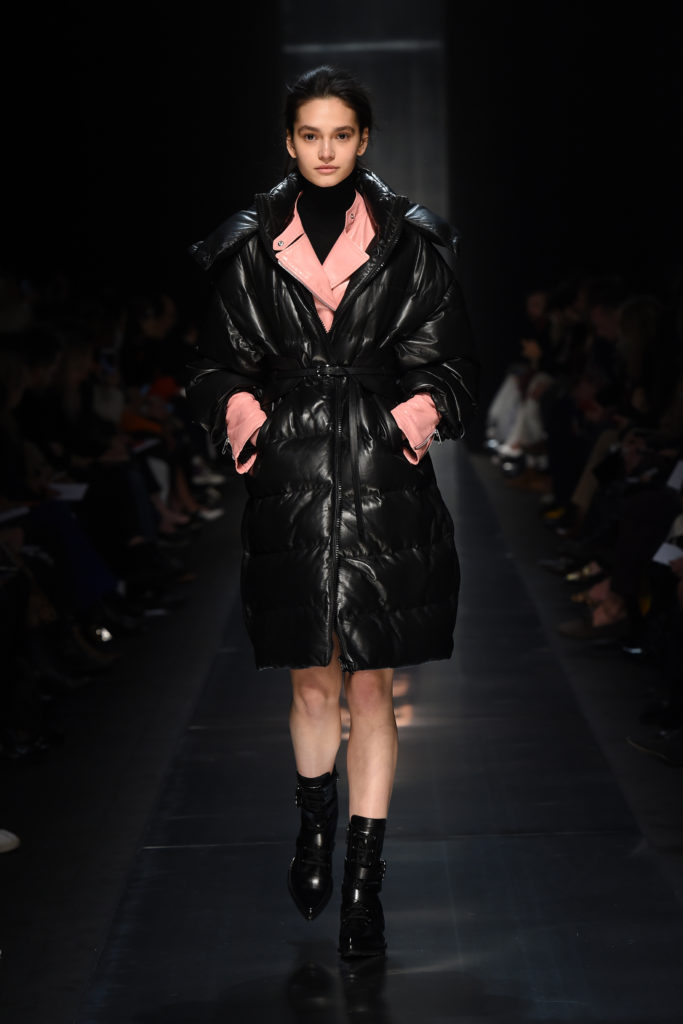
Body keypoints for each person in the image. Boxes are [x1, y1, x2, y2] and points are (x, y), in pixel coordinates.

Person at [186, 65, 478, 959]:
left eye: (340, 135)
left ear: (363, 140)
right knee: (310, 679)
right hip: (293, 479)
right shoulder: (247, 245)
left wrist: (405, 423)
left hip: (383, 480)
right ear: (289, 141)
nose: (324, 151)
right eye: (309, 135)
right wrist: (253, 427)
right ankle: (314, 830)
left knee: (371, 683)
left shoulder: (409, 242)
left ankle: (363, 881)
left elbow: (449, 363)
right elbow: (217, 365)